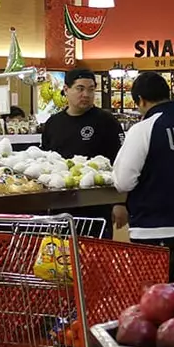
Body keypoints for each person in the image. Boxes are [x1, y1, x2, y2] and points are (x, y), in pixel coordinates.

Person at [113, 72, 174, 280]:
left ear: (140, 100)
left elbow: (123, 181)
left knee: (154, 300)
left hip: (150, 229)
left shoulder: (143, 129)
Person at [41, 68, 126, 234]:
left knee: (97, 254)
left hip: (97, 205)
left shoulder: (106, 121)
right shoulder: (53, 123)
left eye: (91, 89)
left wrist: (120, 202)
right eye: (80, 89)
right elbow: (45, 163)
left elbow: (121, 162)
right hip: (61, 206)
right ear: (66, 90)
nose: (86, 94)